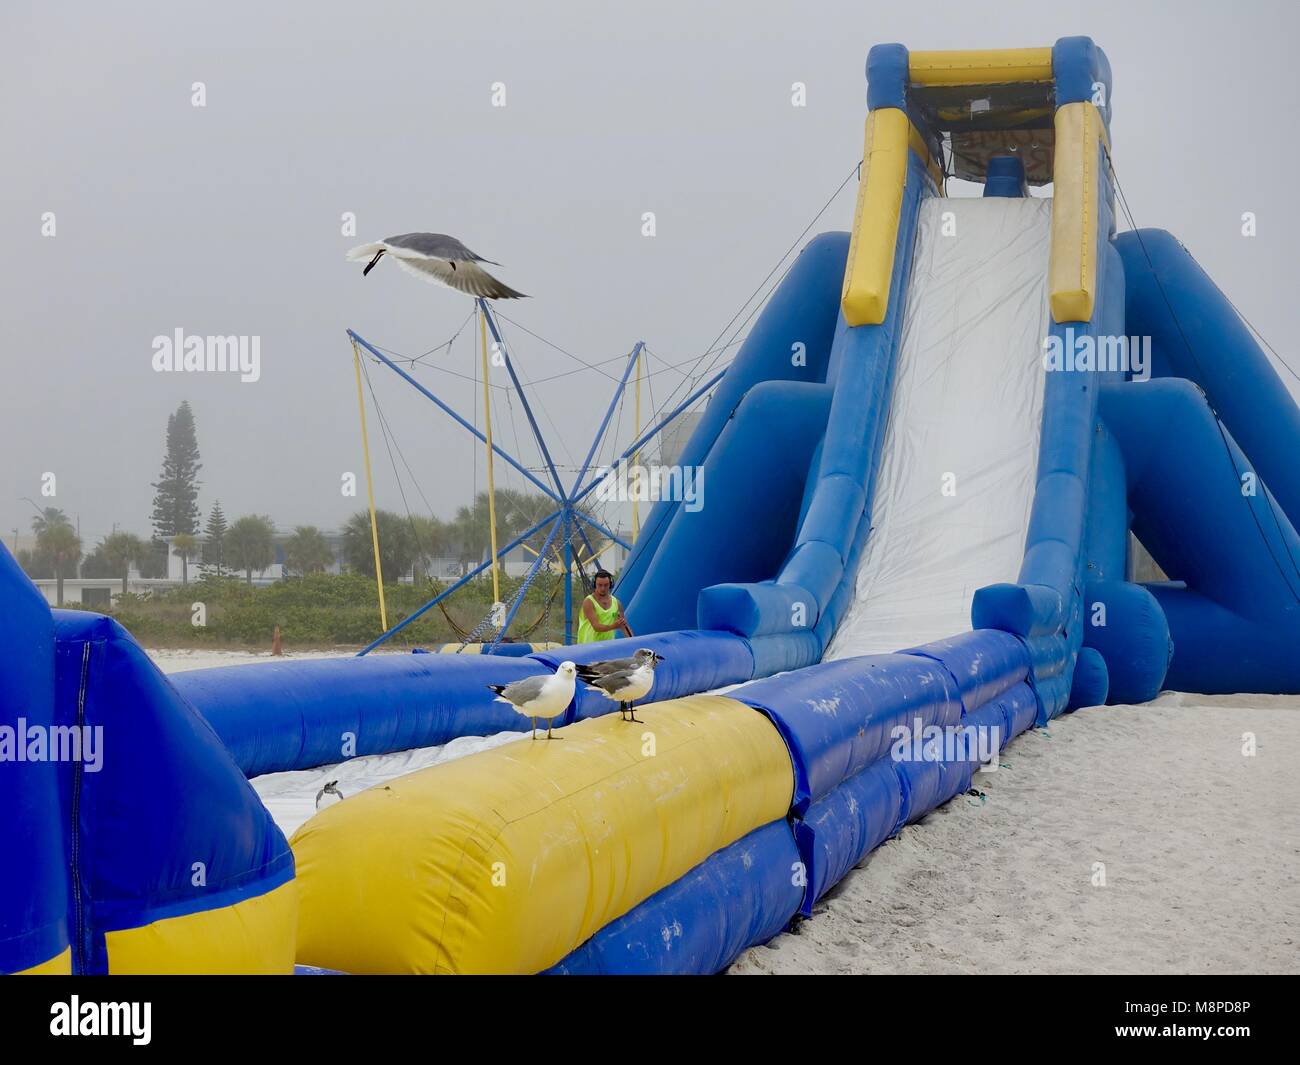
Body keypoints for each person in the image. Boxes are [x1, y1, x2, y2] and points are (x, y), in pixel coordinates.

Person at [576, 569, 633, 643]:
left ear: (610, 584)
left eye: (606, 585)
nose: (603, 588)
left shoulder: (617, 603)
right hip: (588, 648)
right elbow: (596, 627)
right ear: (594, 584)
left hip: (607, 648)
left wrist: (633, 642)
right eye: (600, 585)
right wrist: (614, 626)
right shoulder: (589, 602)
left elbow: (624, 626)